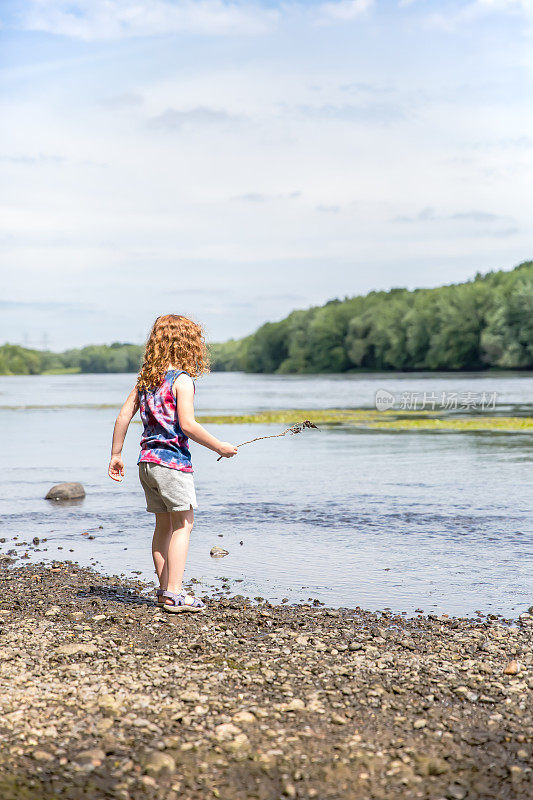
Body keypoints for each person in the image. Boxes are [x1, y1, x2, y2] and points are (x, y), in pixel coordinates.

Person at [108, 314, 237, 612]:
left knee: (162, 527)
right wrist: (220, 446)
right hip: (172, 465)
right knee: (183, 524)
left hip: (146, 463)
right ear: (189, 345)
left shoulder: (145, 380)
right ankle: (175, 593)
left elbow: (123, 416)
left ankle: (165, 589)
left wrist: (116, 454)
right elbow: (188, 425)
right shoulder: (181, 380)